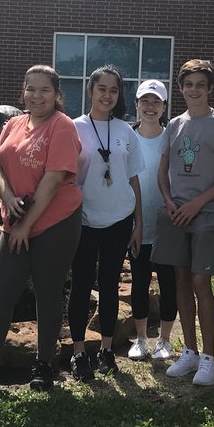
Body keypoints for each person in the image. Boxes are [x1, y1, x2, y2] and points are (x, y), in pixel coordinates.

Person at [0, 65, 83, 395]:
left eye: (44, 90)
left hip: (55, 222)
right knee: (3, 290)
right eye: (30, 88)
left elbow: (53, 180)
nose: (36, 95)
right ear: (23, 92)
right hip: (15, 219)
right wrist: (7, 197)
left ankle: (44, 365)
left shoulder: (63, 127)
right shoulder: (14, 124)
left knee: (47, 292)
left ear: (57, 95)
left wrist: (26, 227)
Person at [153, 59, 214, 387]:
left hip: (207, 214)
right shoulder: (174, 125)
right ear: (181, 88)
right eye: (188, 84)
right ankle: (188, 351)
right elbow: (163, 171)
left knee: (202, 282)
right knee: (181, 281)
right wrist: (171, 201)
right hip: (176, 213)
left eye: (200, 84)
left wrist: (198, 204)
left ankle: (208, 358)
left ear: (210, 88)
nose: (194, 90)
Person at [67, 65, 143, 380]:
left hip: (119, 219)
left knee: (110, 284)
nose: (108, 95)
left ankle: (107, 350)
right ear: (90, 91)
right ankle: (79, 353)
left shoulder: (126, 131)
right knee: (81, 285)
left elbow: (134, 177)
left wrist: (139, 222)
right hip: (83, 220)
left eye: (114, 90)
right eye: (102, 89)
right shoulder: (73, 128)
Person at [127, 79, 178, 363]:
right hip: (138, 225)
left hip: (167, 223)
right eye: (145, 101)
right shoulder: (126, 136)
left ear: (164, 107)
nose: (150, 107)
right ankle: (142, 339)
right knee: (140, 282)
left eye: (156, 102)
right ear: (136, 104)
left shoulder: (172, 135)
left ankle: (165, 340)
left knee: (169, 283)